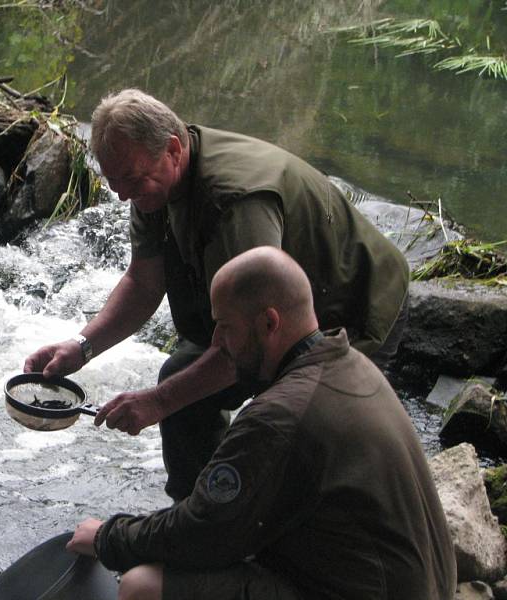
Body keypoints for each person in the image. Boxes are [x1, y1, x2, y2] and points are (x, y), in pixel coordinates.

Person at [24, 88, 410, 501]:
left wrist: (156, 402)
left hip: (351, 306)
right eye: (114, 182)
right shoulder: (150, 183)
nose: (121, 196)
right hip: (265, 318)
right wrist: (82, 347)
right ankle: (198, 516)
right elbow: (143, 283)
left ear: (173, 149)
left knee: (298, 433)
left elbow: (253, 338)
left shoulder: (236, 200)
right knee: (181, 387)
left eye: (131, 181)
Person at [66, 247, 456, 600]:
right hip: (420, 585)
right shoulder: (350, 364)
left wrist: (107, 537)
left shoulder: (278, 417)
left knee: (143, 585)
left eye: (227, 326)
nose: (218, 340)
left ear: (269, 323)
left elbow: (199, 532)